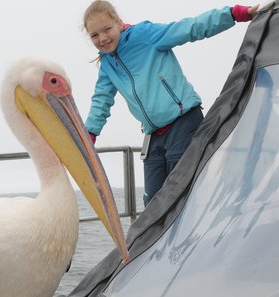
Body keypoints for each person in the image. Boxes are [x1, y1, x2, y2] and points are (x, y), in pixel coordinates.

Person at [82, 1, 259, 207]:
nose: (102, 38)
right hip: (154, 135)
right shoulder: (106, 65)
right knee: (153, 203)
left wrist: (233, 14)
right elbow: (101, 100)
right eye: (94, 35)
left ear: (119, 23)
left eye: (107, 29)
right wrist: (90, 135)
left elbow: (190, 28)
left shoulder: (145, 35)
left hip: (182, 122)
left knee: (181, 194)